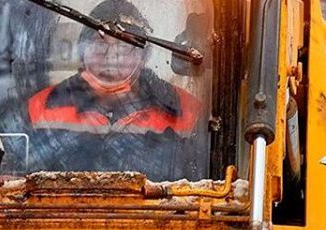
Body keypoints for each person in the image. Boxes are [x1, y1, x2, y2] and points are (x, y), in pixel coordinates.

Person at [26, 0, 202, 180]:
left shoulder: (186, 112)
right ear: (83, 51)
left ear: (142, 56)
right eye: (100, 43)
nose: (111, 56)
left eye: (124, 46)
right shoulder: (41, 108)